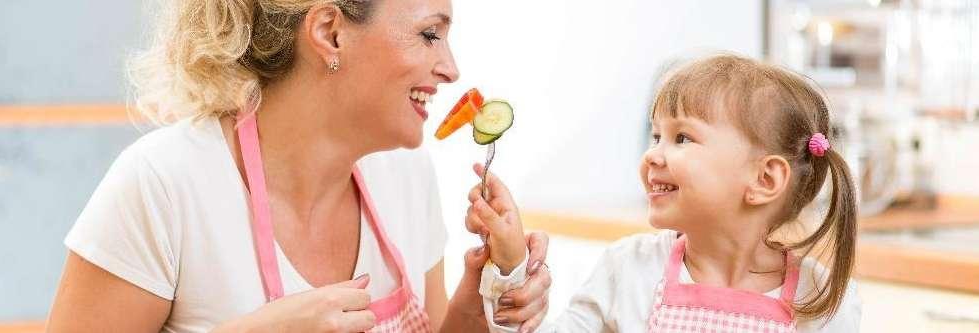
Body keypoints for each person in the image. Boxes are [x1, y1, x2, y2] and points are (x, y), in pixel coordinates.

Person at [47, 0, 551, 332]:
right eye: (428, 34)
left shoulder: (406, 176)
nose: (450, 67)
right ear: (331, 32)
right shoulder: (163, 185)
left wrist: (491, 291)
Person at [468, 54, 862, 332]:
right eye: (657, 135)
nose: (653, 154)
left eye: (682, 137)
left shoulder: (822, 300)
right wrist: (512, 265)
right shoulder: (628, 270)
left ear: (765, 180)